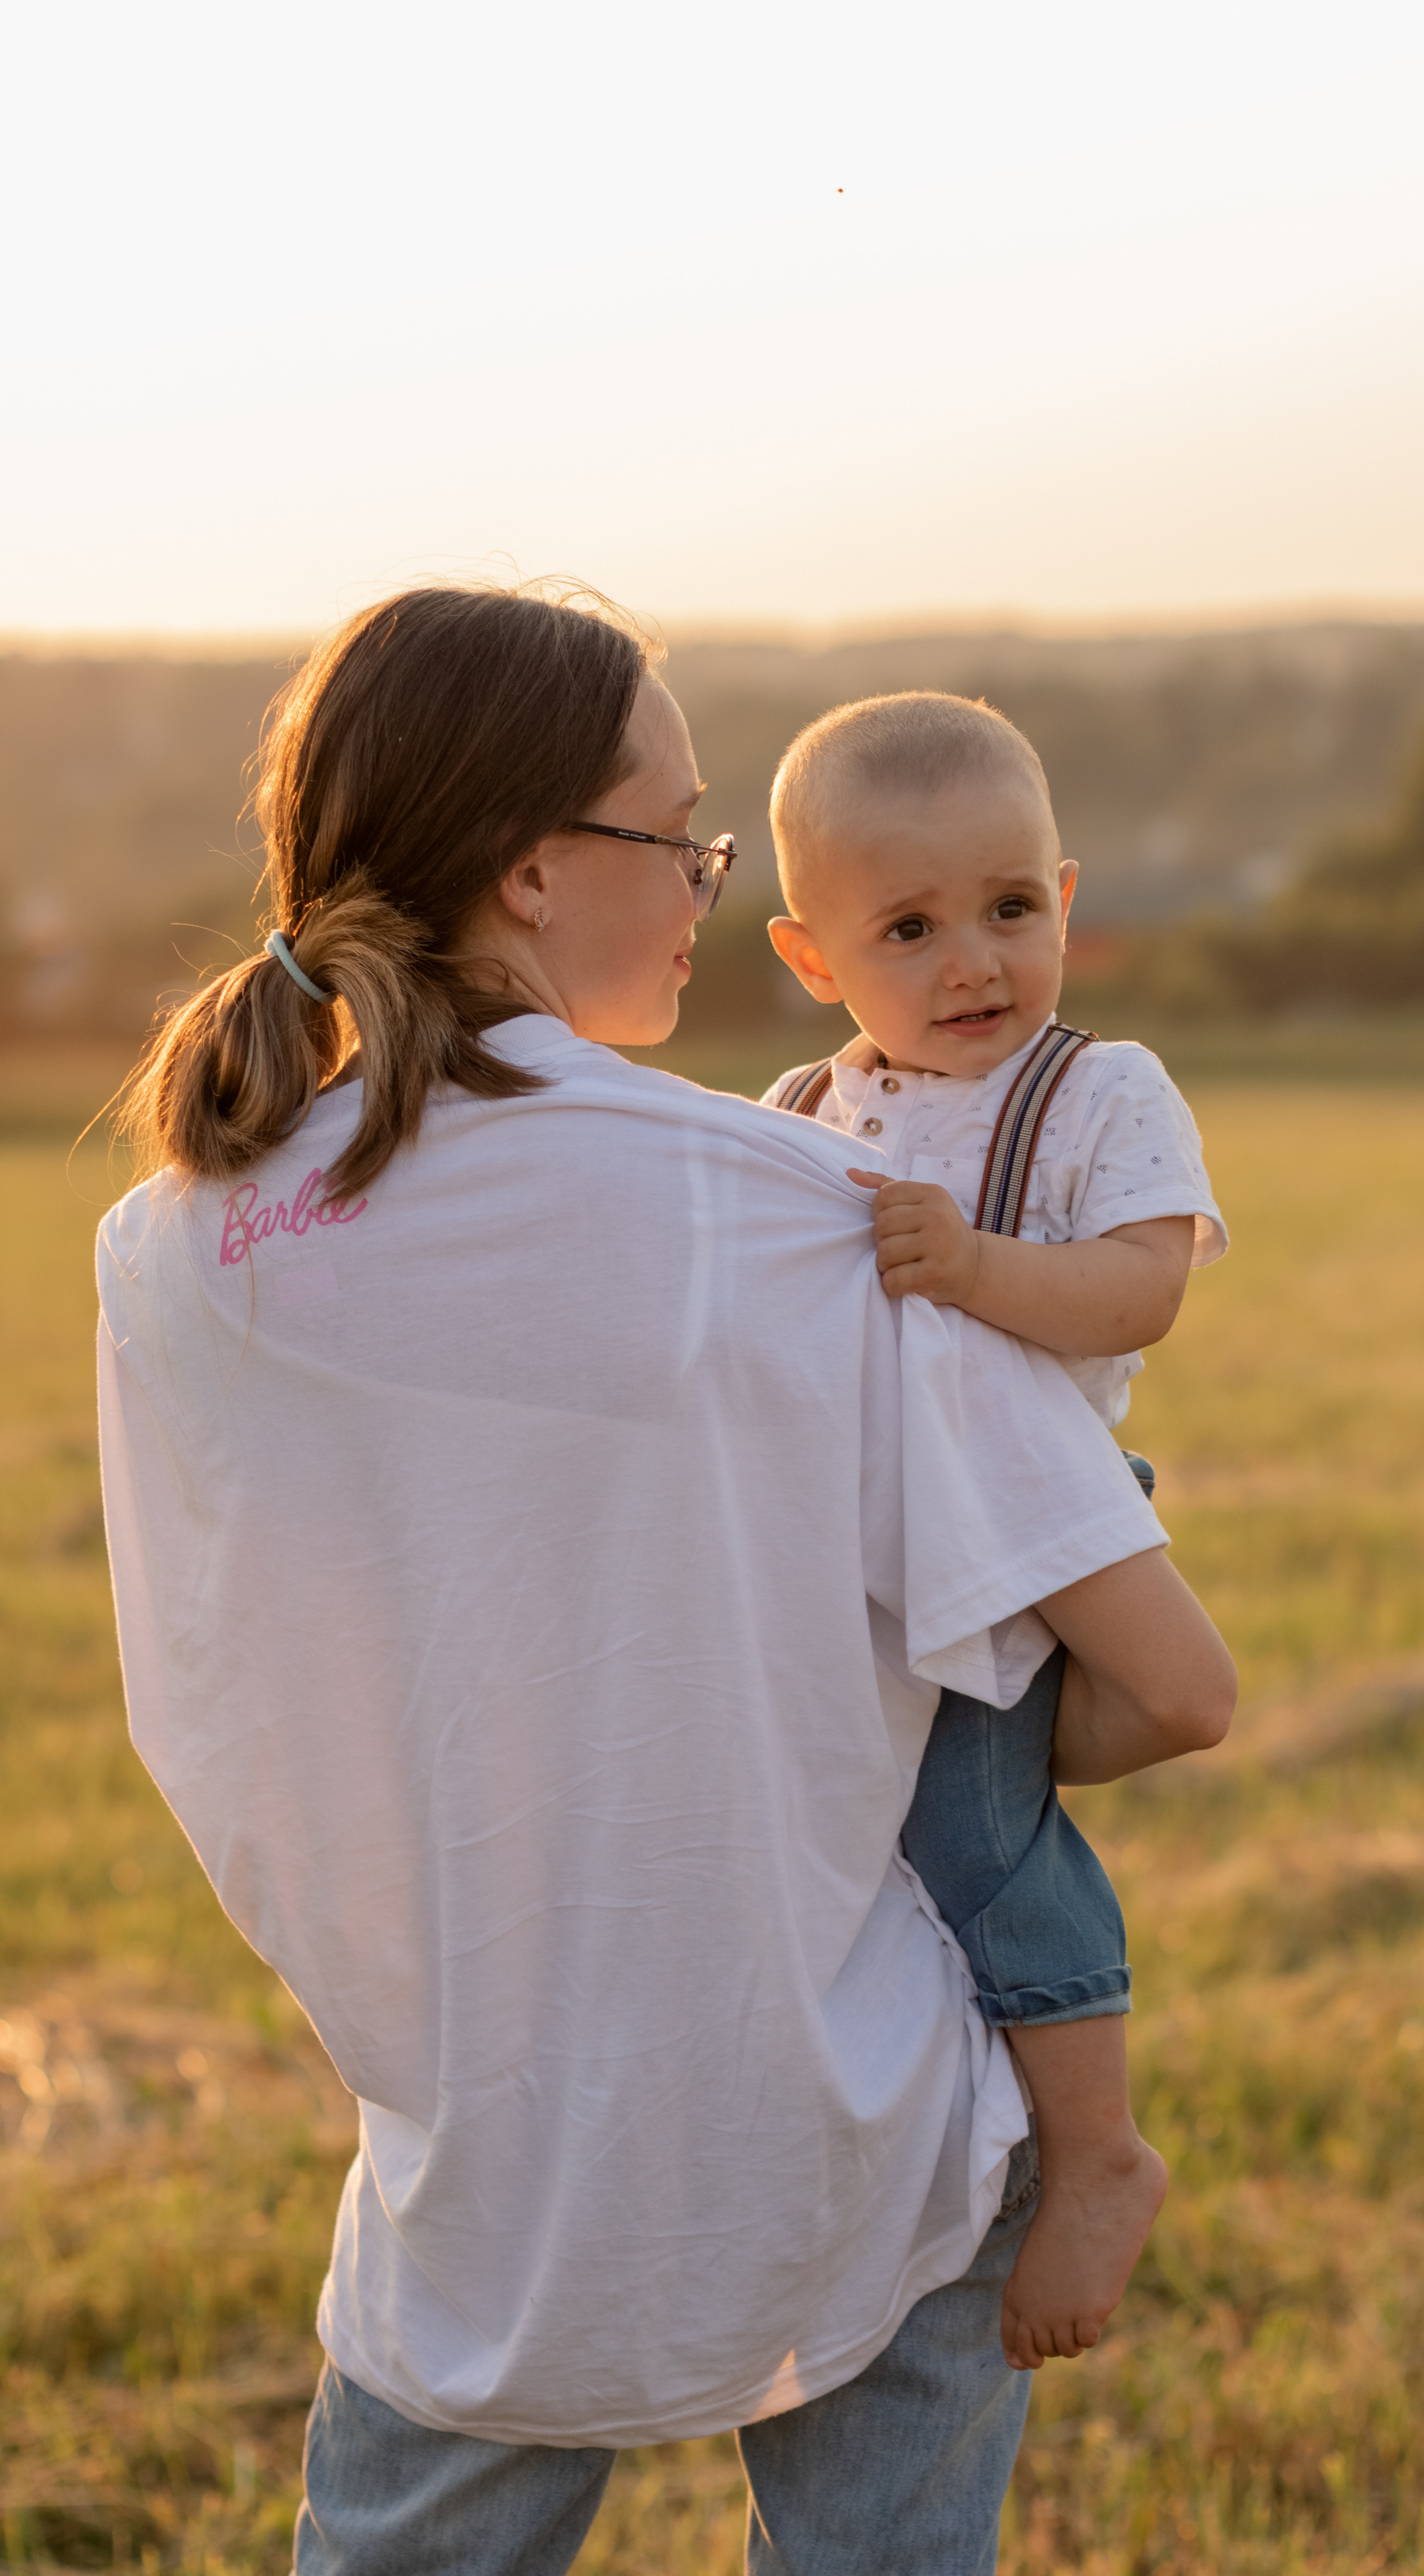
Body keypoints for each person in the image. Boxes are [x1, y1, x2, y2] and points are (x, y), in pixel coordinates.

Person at [97, 582, 1236, 2576]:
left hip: (484, 2158)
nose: (710, 882)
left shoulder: (177, 1250)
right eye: (682, 835)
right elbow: (1173, 1687)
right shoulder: (802, 1213)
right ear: (538, 871)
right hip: (846, 2106)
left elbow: (230, 1718)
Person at [761, 690, 1228, 2373]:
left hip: (1035, 1518)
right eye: (909, 926)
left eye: (1010, 908)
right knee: (944, 1823)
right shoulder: (801, 1112)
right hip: (881, 1544)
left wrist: (968, 1265)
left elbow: (1141, 1287)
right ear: (812, 960)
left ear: (1065, 895)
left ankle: (1098, 2154)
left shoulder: (1097, 1089)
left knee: (1004, 1818)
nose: (973, 961)